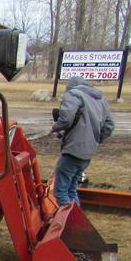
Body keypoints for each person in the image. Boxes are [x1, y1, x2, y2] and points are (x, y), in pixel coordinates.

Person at [51, 76, 115, 206]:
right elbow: (109, 125)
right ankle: (77, 218)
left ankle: (72, 223)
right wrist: (95, 139)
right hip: (88, 152)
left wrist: (55, 127)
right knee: (71, 190)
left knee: (61, 191)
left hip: (73, 150)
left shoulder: (74, 94)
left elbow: (66, 119)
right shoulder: (100, 99)